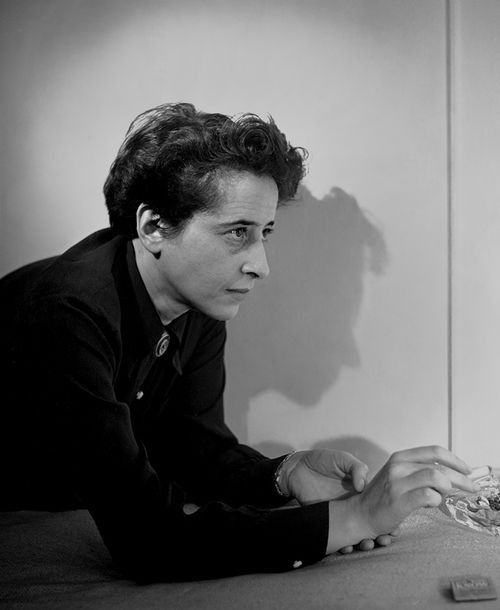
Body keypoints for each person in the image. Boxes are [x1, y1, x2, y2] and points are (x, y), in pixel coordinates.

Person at [0, 102, 478, 581]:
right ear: (153, 227)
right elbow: (148, 542)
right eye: (237, 233)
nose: (260, 265)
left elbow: (195, 451)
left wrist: (284, 474)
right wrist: (354, 518)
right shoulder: (68, 313)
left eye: (264, 233)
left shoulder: (197, 301)